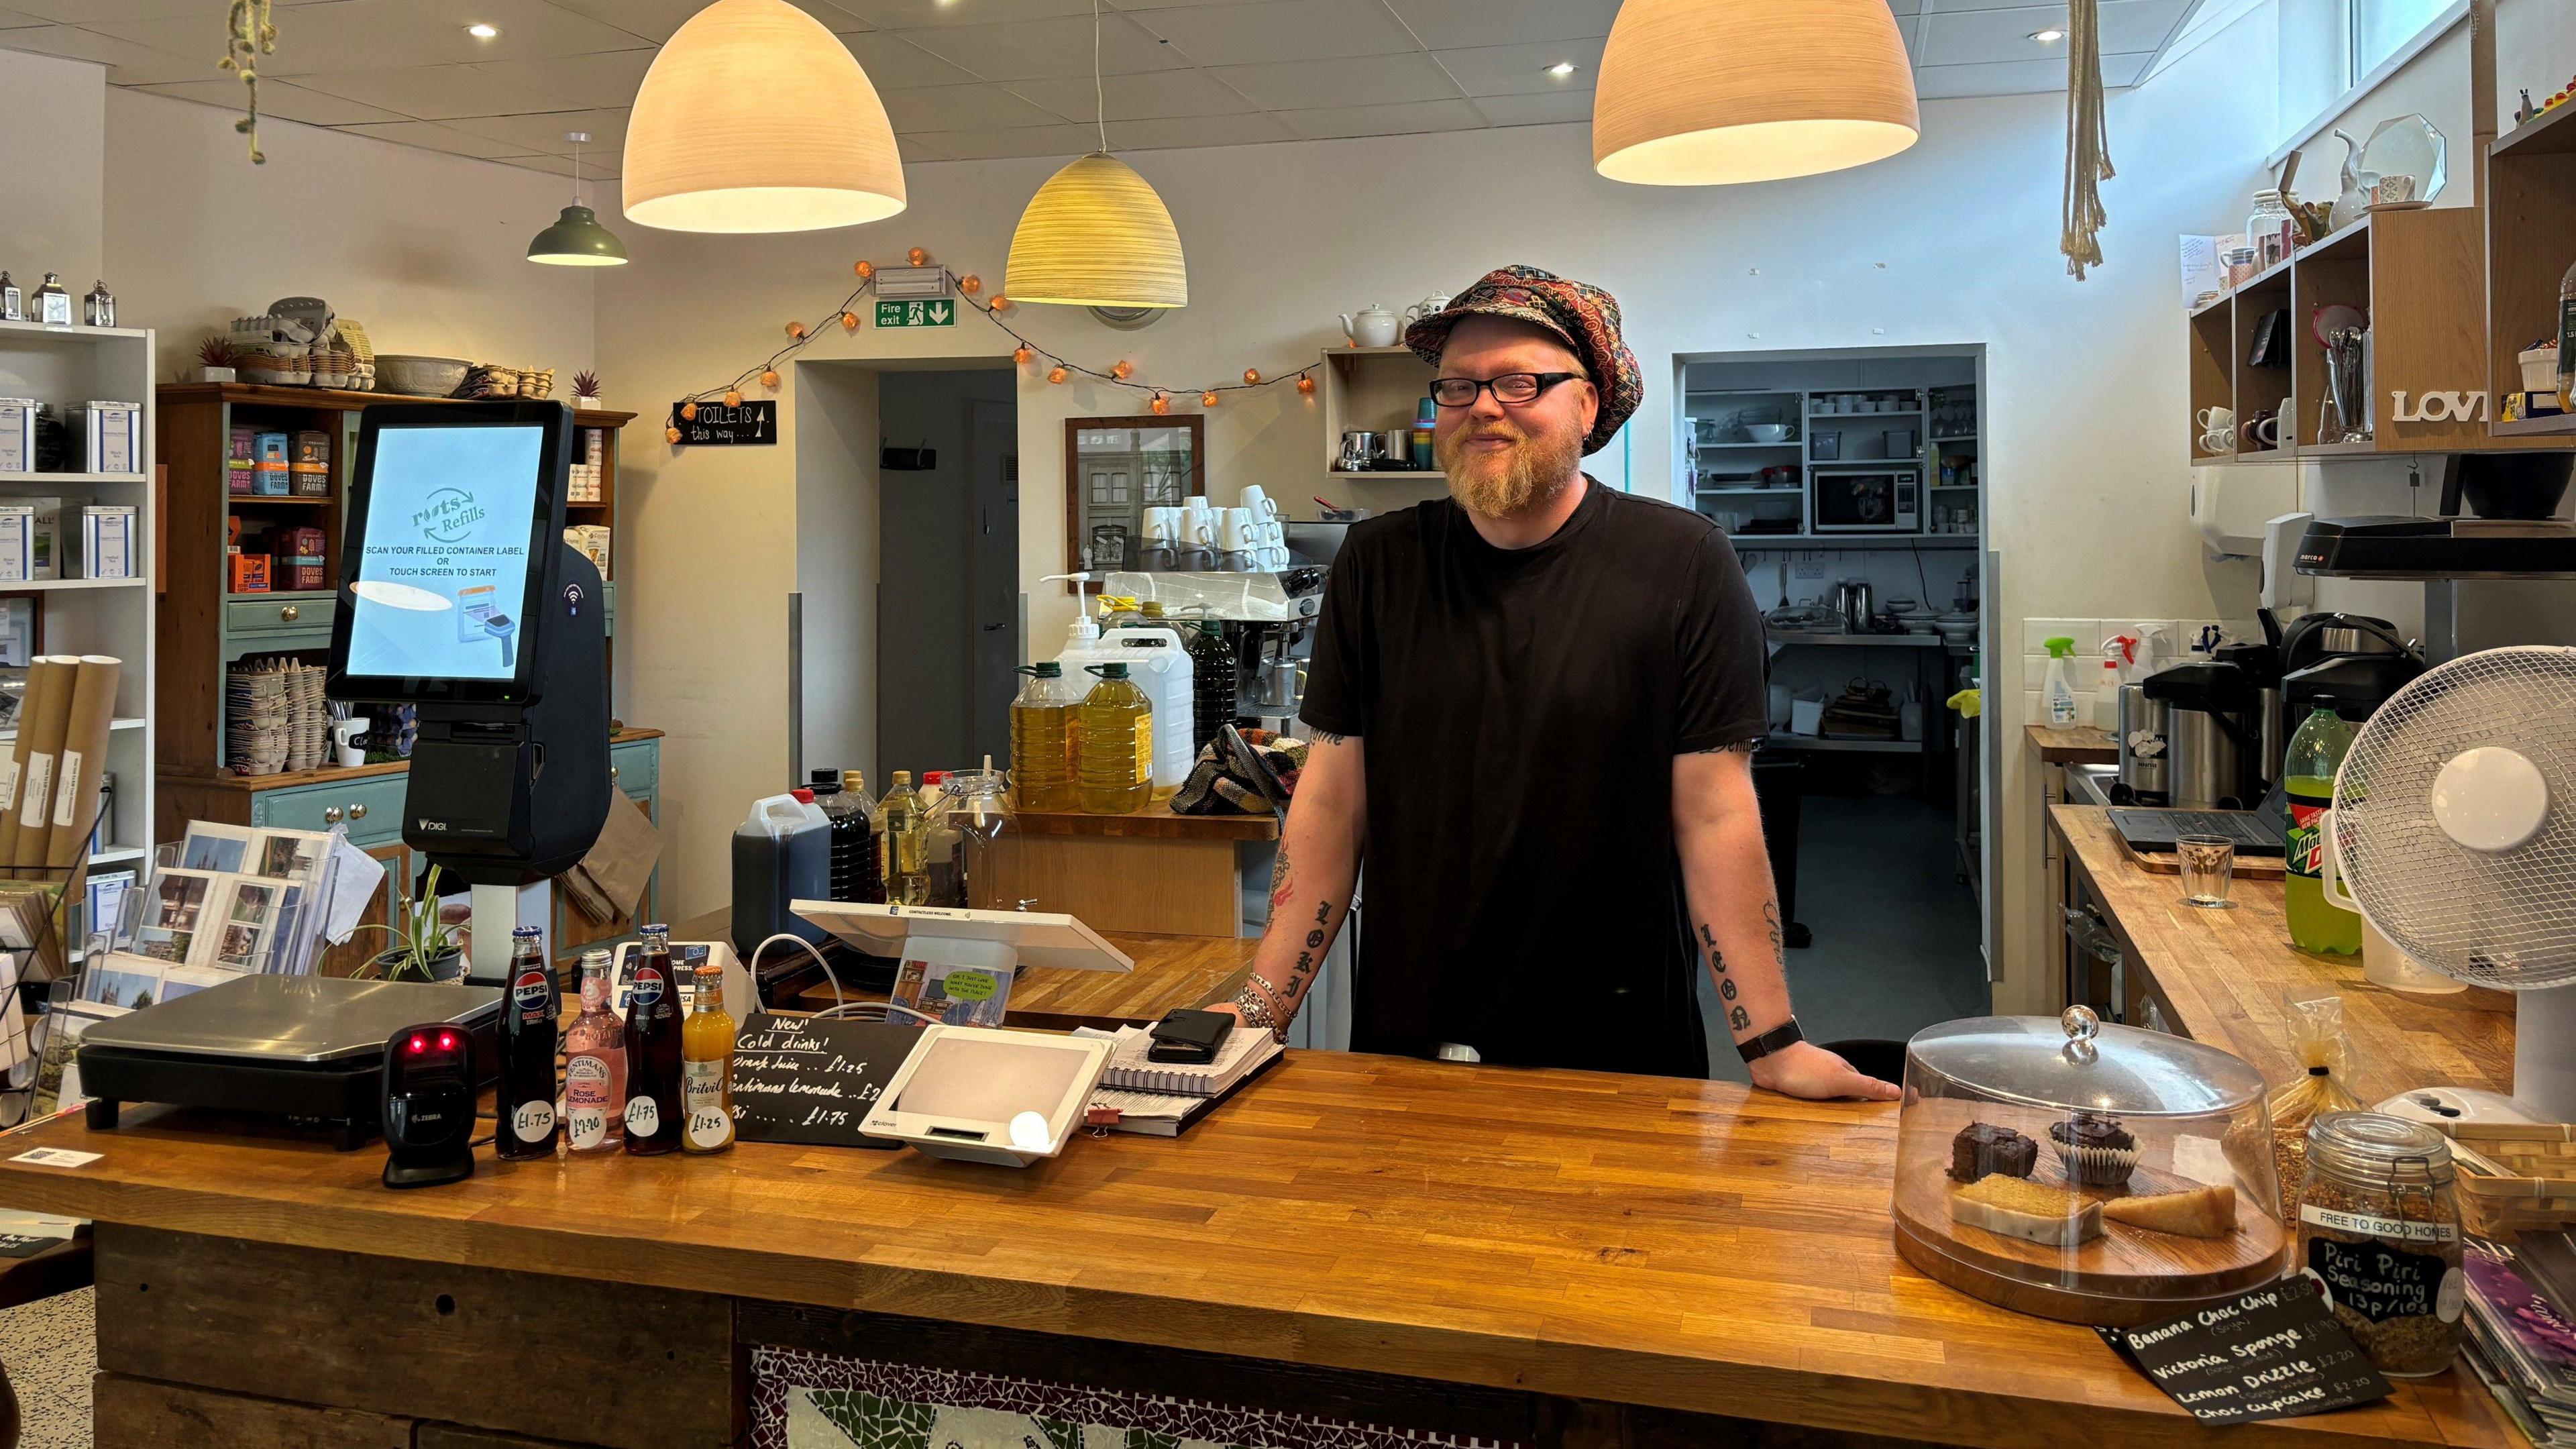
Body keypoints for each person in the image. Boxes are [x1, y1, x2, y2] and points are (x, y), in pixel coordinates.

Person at [1213, 266, 1897, 1102]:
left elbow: (1714, 812)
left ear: (1589, 404)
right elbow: (1331, 802)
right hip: (1409, 1043)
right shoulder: (1379, 565)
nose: (1484, 407)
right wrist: (1259, 1012)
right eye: (1459, 387)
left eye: (1520, 381)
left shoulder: (1683, 564)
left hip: (1619, 1051)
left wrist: (1773, 1044)